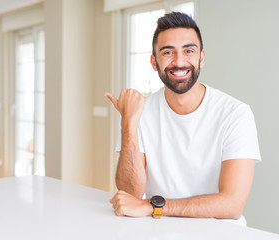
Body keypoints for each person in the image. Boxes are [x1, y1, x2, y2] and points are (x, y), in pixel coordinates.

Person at [105, 12, 261, 224]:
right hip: (156, 229)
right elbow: (130, 194)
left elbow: (232, 205)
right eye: (168, 52)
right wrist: (128, 123)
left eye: (188, 51)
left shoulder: (235, 114)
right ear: (154, 62)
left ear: (201, 58)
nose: (179, 62)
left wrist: (153, 206)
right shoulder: (140, 112)